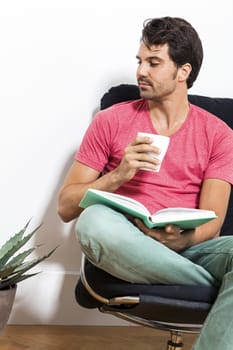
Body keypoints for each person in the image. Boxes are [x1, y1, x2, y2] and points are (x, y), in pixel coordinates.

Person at [58, 17, 233, 349]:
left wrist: (181, 241)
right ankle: (218, 284)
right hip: (126, 241)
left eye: (154, 62)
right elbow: (66, 208)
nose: (141, 71)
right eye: (140, 61)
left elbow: (213, 218)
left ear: (183, 71)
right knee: (93, 222)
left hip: (190, 247)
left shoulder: (219, 134)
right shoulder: (111, 121)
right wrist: (119, 174)